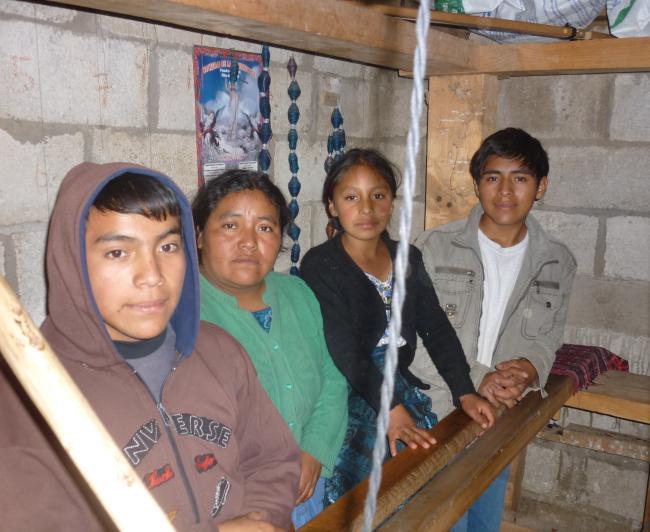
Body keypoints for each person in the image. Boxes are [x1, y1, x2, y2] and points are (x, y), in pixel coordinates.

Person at [0, 162, 300, 531]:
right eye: (118, 253)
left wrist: (263, 520)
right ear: (72, 260)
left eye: (168, 246)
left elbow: (272, 460)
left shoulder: (219, 352)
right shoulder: (28, 396)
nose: (152, 276)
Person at [300, 148, 495, 504]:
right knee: (370, 477)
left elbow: (436, 328)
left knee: (426, 467)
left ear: (391, 201)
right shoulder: (321, 264)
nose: (366, 208)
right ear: (332, 206)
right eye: (351, 197)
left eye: (378, 195)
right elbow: (346, 350)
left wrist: (465, 390)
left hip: (396, 381)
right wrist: (390, 408)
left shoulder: (407, 258)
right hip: (345, 383)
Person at [412, 128, 577, 531]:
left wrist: (531, 367)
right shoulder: (433, 248)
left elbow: (548, 336)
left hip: (501, 416)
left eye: (520, 178)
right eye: (492, 177)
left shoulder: (557, 261)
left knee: (483, 523)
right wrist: (480, 377)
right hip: (439, 411)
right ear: (477, 185)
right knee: (440, 520)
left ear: (541, 187)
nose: (505, 190)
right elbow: (415, 341)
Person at [192, 170, 348, 528]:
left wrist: (314, 451)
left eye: (264, 228)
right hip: (237, 503)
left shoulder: (298, 293)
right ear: (199, 235)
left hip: (310, 483)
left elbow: (332, 378)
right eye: (231, 226)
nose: (249, 242)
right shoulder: (183, 316)